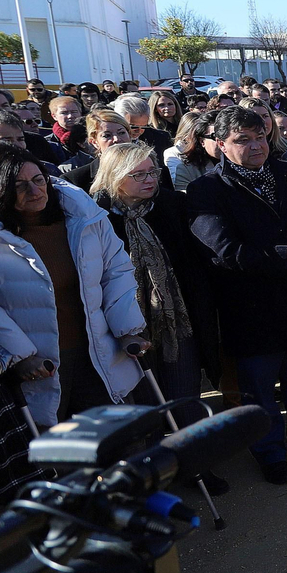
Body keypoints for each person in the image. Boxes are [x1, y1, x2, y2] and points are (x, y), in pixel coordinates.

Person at [187, 108, 287, 484]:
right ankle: (269, 453)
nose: (255, 145)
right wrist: (285, 267)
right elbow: (222, 249)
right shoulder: (206, 190)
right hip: (254, 309)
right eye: (243, 139)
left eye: (259, 136)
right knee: (259, 390)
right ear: (220, 145)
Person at [0, 144, 147, 427]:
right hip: (36, 364)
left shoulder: (82, 216)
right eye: (19, 185)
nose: (35, 191)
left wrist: (127, 329)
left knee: (121, 441)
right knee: (58, 453)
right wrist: (20, 356)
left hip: (98, 348)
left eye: (39, 179)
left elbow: (115, 269)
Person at [90, 142, 219, 418]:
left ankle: (193, 454)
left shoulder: (173, 206)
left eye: (153, 172)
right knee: (143, 402)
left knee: (184, 393)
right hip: (122, 327)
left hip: (178, 318)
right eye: (138, 174)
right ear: (114, 175)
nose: (150, 180)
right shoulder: (95, 218)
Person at [58, 110, 133, 192]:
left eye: (121, 133)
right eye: (107, 135)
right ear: (94, 142)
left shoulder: (148, 164)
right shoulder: (75, 180)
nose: (116, 139)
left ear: (129, 135)